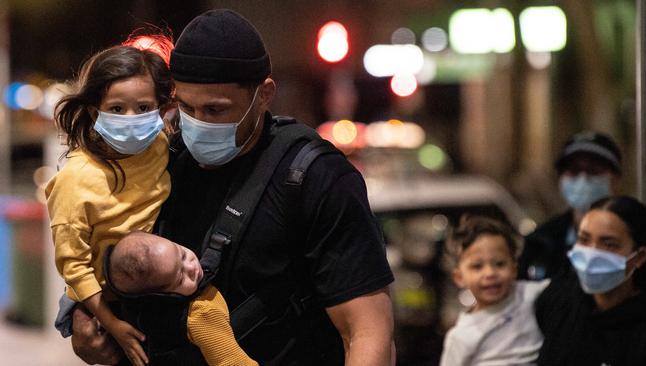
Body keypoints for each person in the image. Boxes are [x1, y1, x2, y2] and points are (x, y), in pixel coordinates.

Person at [69, 9, 395, 366]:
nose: (198, 124)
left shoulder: (314, 178)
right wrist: (86, 319)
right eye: (187, 108)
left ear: (264, 95)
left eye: (215, 110)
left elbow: (367, 333)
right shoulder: (160, 164)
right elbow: (107, 252)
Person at [46, 36, 174, 366]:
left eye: (144, 108)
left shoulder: (161, 144)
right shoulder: (76, 179)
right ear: (94, 111)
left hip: (157, 281)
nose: (132, 119)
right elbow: (73, 266)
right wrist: (113, 323)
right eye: (117, 109)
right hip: (102, 299)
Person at [106, 231, 258, 366]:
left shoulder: (136, 306)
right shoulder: (202, 314)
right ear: (161, 297)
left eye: (182, 254)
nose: (191, 267)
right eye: (180, 279)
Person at [535, 196, 646, 365]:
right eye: (584, 239)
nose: (592, 254)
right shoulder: (559, 301)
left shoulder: (643, 330)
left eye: (609, 244)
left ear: (640, 256)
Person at [440, 215, 549, 365]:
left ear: (514, 269)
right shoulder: (461, 336)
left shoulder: (531, 294)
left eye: (499, 264)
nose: (490, 273)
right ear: (459, 277)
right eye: (477, 266)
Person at [518, 131, 622, 280]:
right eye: (573, 171)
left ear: (615, 179)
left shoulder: (637, 237)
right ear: (560, 179)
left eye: (594, 170)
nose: (583, 179)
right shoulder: (539, 243)